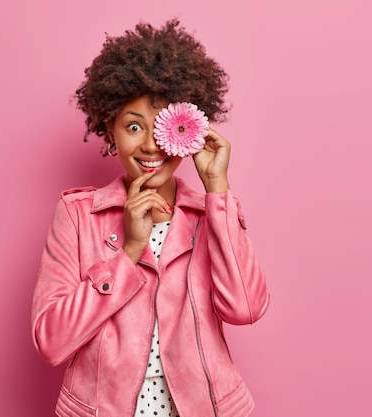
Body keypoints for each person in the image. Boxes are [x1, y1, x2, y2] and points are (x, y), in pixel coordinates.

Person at [31, 18, 270, 417]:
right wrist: (129, 252)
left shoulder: (212, 212)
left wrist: (217, 188)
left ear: (189, 129)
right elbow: (51, 341)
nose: (149, 145)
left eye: (162, 127)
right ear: (109, 129)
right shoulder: (77, 216)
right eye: (133, 126)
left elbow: (244, 308)